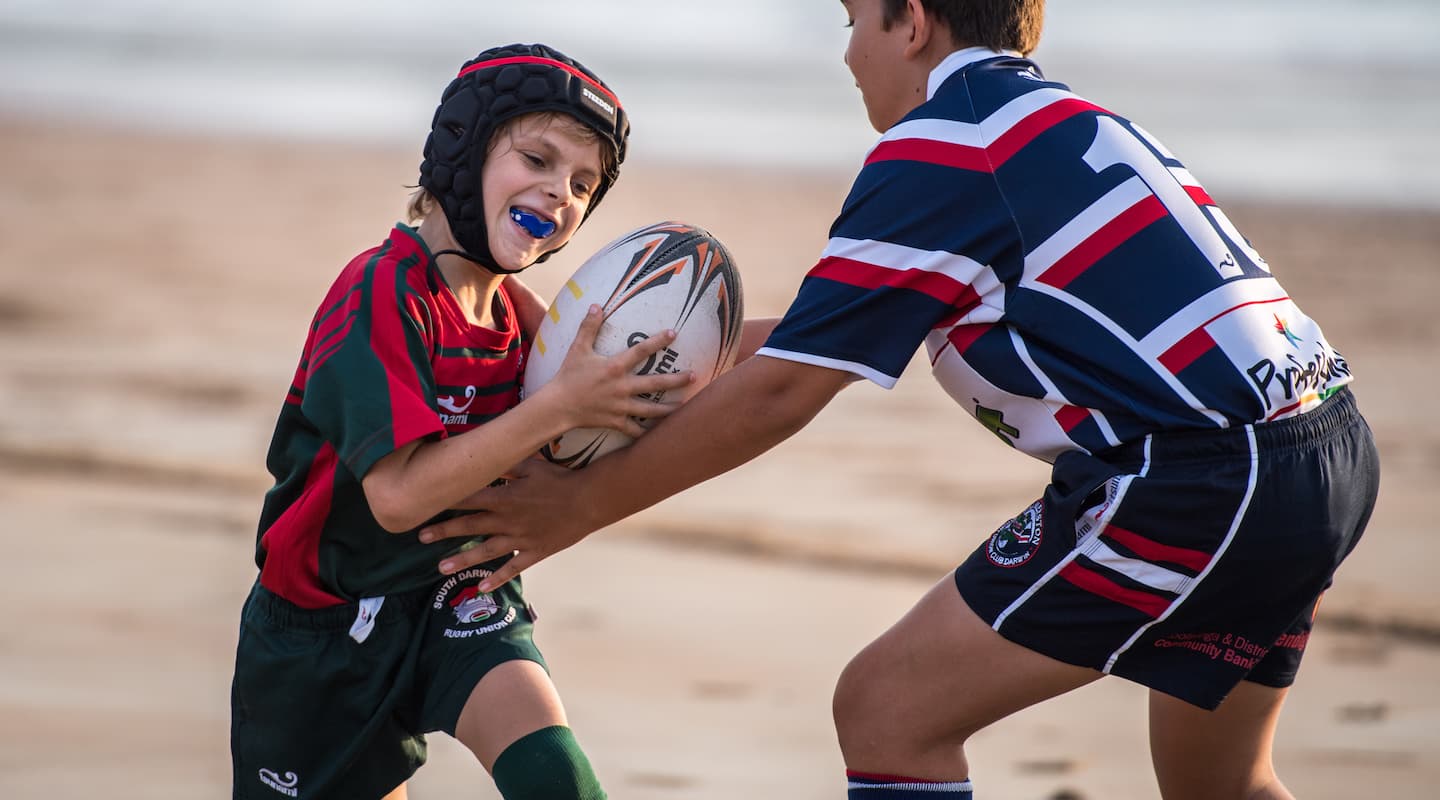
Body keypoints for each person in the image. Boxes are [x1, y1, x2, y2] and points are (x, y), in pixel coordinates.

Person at [419, 3, 1383, 799]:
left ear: (910, 21)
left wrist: (576, 507)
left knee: (887, 710)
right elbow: (805, 341)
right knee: (1222, 785)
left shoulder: (945, 143)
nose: (846, 53)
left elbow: (788, 391)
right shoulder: (1060, 120)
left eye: (852, 19)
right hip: (1322, 452)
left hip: (1204, 476)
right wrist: (613, 374)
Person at [228, 43, 695, 800]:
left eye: (582, 184)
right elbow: (398, 497)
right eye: (537, 160)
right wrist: (559, 405)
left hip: (457, 592)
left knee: (558, 780)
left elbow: (664, 353)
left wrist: (815, 326)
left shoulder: (517, 315)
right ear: (461, 149)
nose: (559, 194)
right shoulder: (380, 291)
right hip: (322, 631)